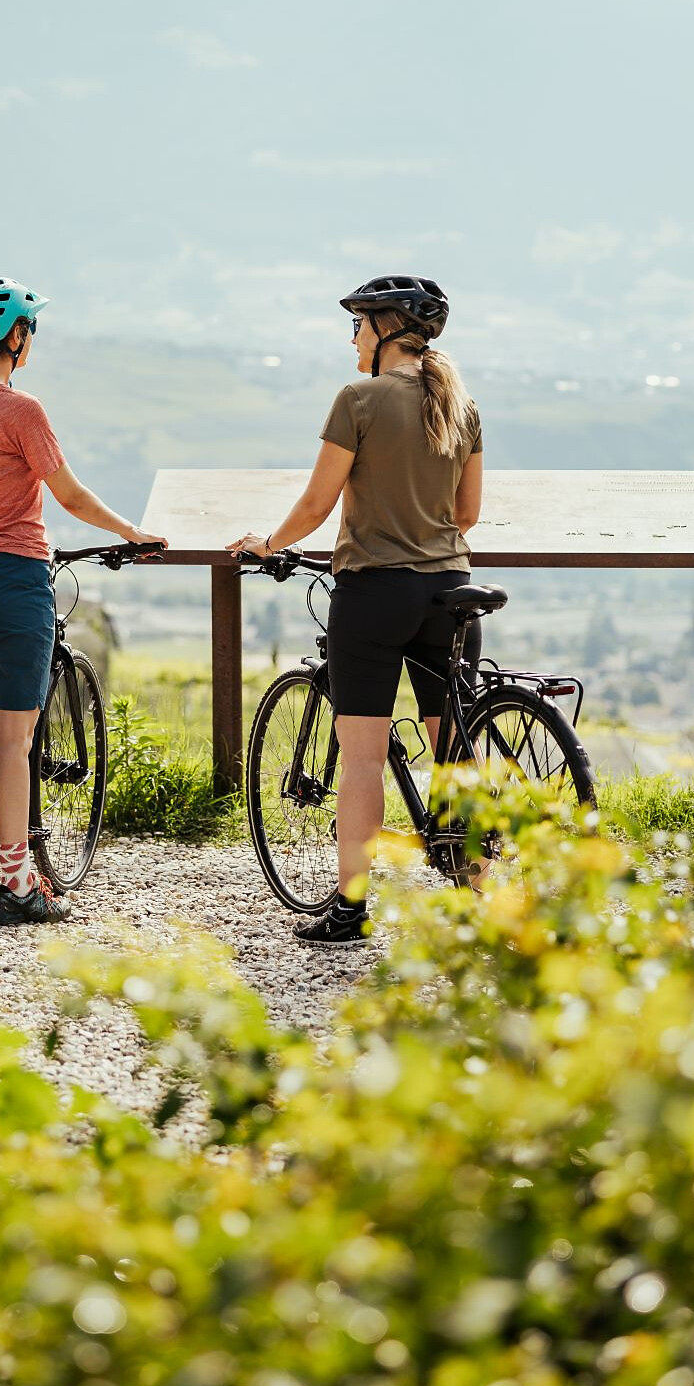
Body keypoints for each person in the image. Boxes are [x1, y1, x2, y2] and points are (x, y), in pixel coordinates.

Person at [227, 275, 483, 943]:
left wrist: (268, 544)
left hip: (376, 594)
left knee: (363, 756)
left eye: (358, 325)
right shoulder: (461, 404)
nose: (352, 338)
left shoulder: (358, 399)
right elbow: (467, 514)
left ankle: (350, 907)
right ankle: (480, 891)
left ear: (385, 329)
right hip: (451, 589)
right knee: (453, 746)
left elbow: (317, 505)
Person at [0, 277, 166, 924]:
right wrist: (132, 532)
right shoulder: (21, 411)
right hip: (16, 583)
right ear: (17, 338)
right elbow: (71, 496)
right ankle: (18, 885)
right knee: (12, 739)